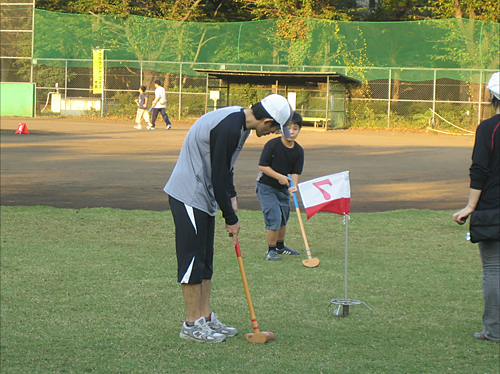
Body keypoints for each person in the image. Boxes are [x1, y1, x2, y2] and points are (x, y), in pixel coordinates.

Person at [164, 94, 294, 343]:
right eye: (274, 128)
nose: (272, 133)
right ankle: (192, 324)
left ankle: (205, 317)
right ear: (266, 121)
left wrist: (231, 196)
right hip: (188, 195)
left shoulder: (241, 123)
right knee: (192, 260)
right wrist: (231, 216)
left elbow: (226, 166)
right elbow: (219, 173)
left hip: (204, 197)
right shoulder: (229, 127)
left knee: (205, 260)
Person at [453, 71, 500, 343]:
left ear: (492, 95)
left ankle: (493, 330)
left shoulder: (488, 128)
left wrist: (470, 206)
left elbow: (479, 169)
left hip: (491, 209)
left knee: (493, 269)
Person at [256, 112, 304, 261]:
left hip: (283, 189)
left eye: (295, 128)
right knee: (274, 217)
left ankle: (280, 247)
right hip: (266, 187)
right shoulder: (272, 145)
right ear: (282, 128)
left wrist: (293, 186)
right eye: (288, 128)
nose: (292, 132)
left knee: (283, 218)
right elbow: (263, 166)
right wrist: (280, 177)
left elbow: (295, 172)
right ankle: (271, 250)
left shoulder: (298, 151)